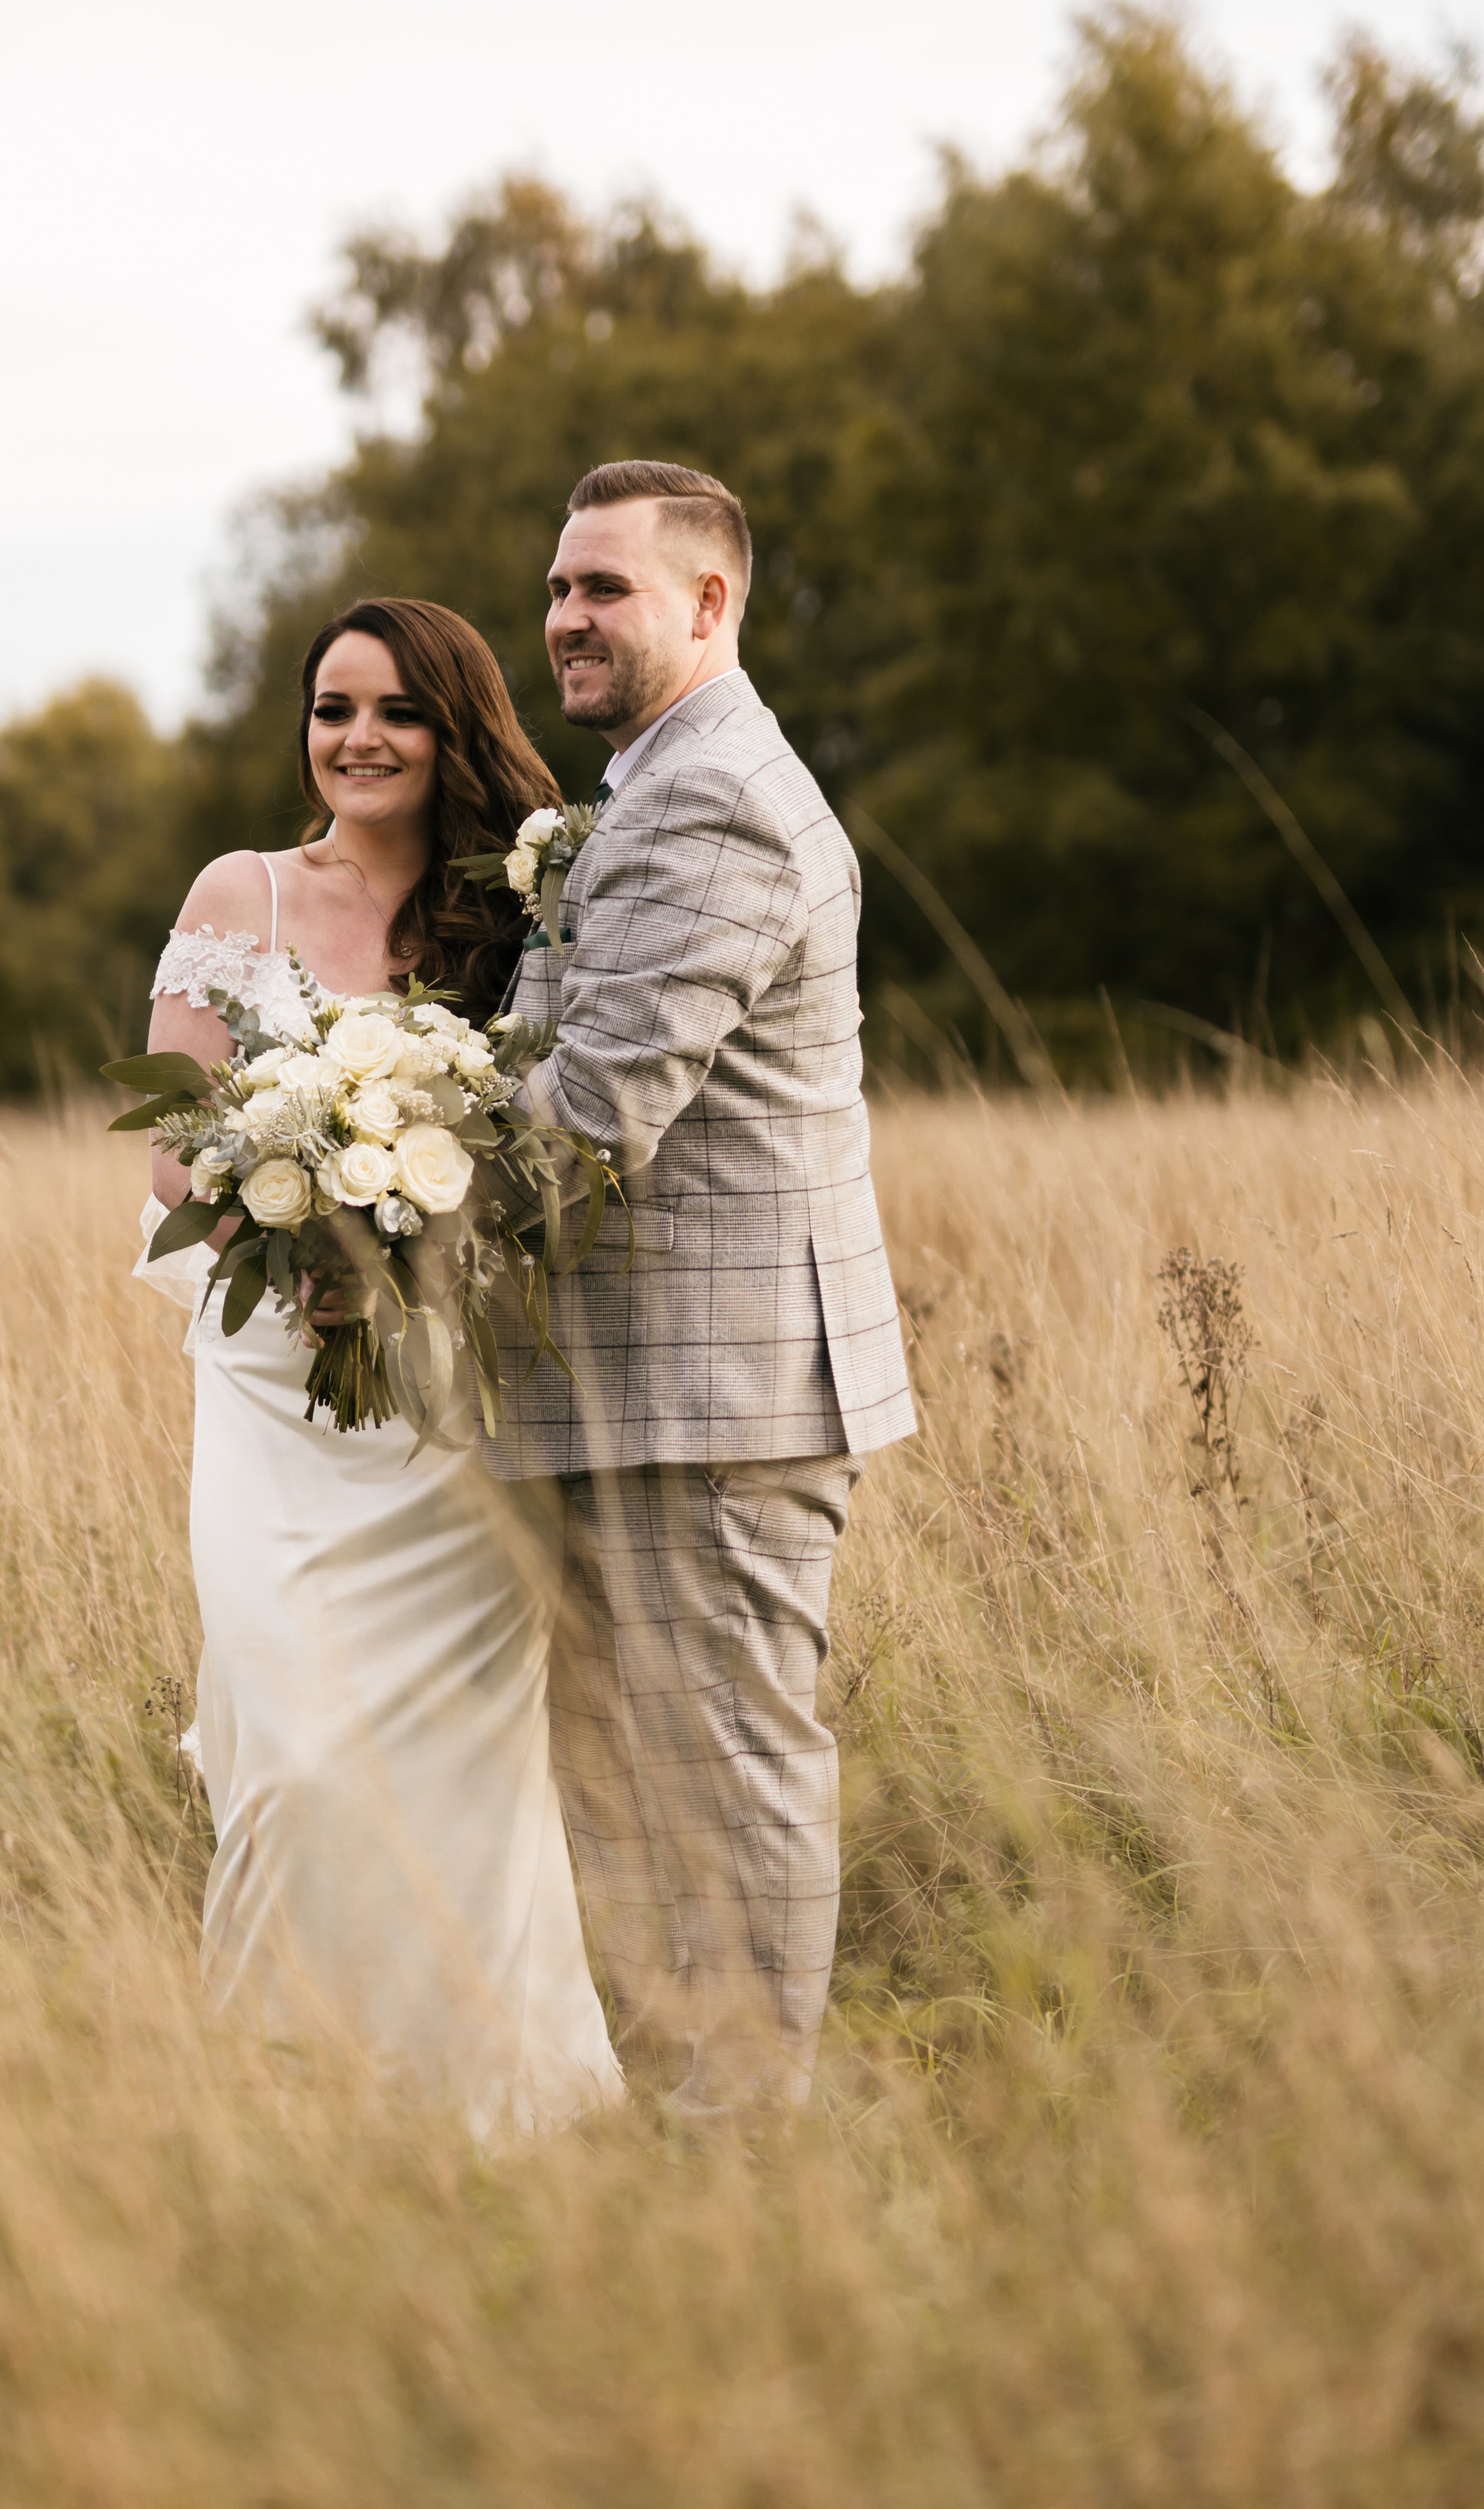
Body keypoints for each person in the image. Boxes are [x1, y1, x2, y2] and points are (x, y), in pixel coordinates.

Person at [134, 597, 621, 2133]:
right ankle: (290, 2102)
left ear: (449, 729)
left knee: (461, 1774)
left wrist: (418, 1251)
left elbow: (564, 1152)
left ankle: (493, 2109)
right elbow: (168, 1152)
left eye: (394, 711)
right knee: (294, 1756)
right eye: (331, 708)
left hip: (450, 1401)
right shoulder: (243, 892)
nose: (355, 738)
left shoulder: (521, 916)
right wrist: (312, 1200)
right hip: (275, 1387)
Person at [484, 461, 916, 2119]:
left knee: (728, 1791)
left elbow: (592, 1115)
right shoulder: (647, 787)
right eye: (556, 587)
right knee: (637, 1798)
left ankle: (740, 2147)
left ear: (708, 603)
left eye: (603, 587)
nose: (565, 618)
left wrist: (366, 1202)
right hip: (640, 1386)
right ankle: (684, 2126)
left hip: (718, 1392)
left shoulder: (716, 792)